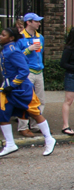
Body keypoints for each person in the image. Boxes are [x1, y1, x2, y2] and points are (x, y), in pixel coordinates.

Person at [0, 27, 56, 157]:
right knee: (2, 113)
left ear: (11, 38)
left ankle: (49, 139)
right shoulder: (6, 50)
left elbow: (24, 70)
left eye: (3, 35)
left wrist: (13, 84)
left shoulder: (13, 51)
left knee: (35, 113)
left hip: (21, 89)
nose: (0, 36)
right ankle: (10, 144)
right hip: (8, 88)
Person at [16, 13, 46, 137]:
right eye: (36, 21)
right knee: (26, 99)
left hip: (39, 71)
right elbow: (16, 56)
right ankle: (23, 127)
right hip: (27, 72)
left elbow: (41, 53)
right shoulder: (20, 37)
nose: (39, 23)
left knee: (40, 100)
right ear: (28, 22)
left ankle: (35, 124)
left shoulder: (40, 37)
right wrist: (29, 49)